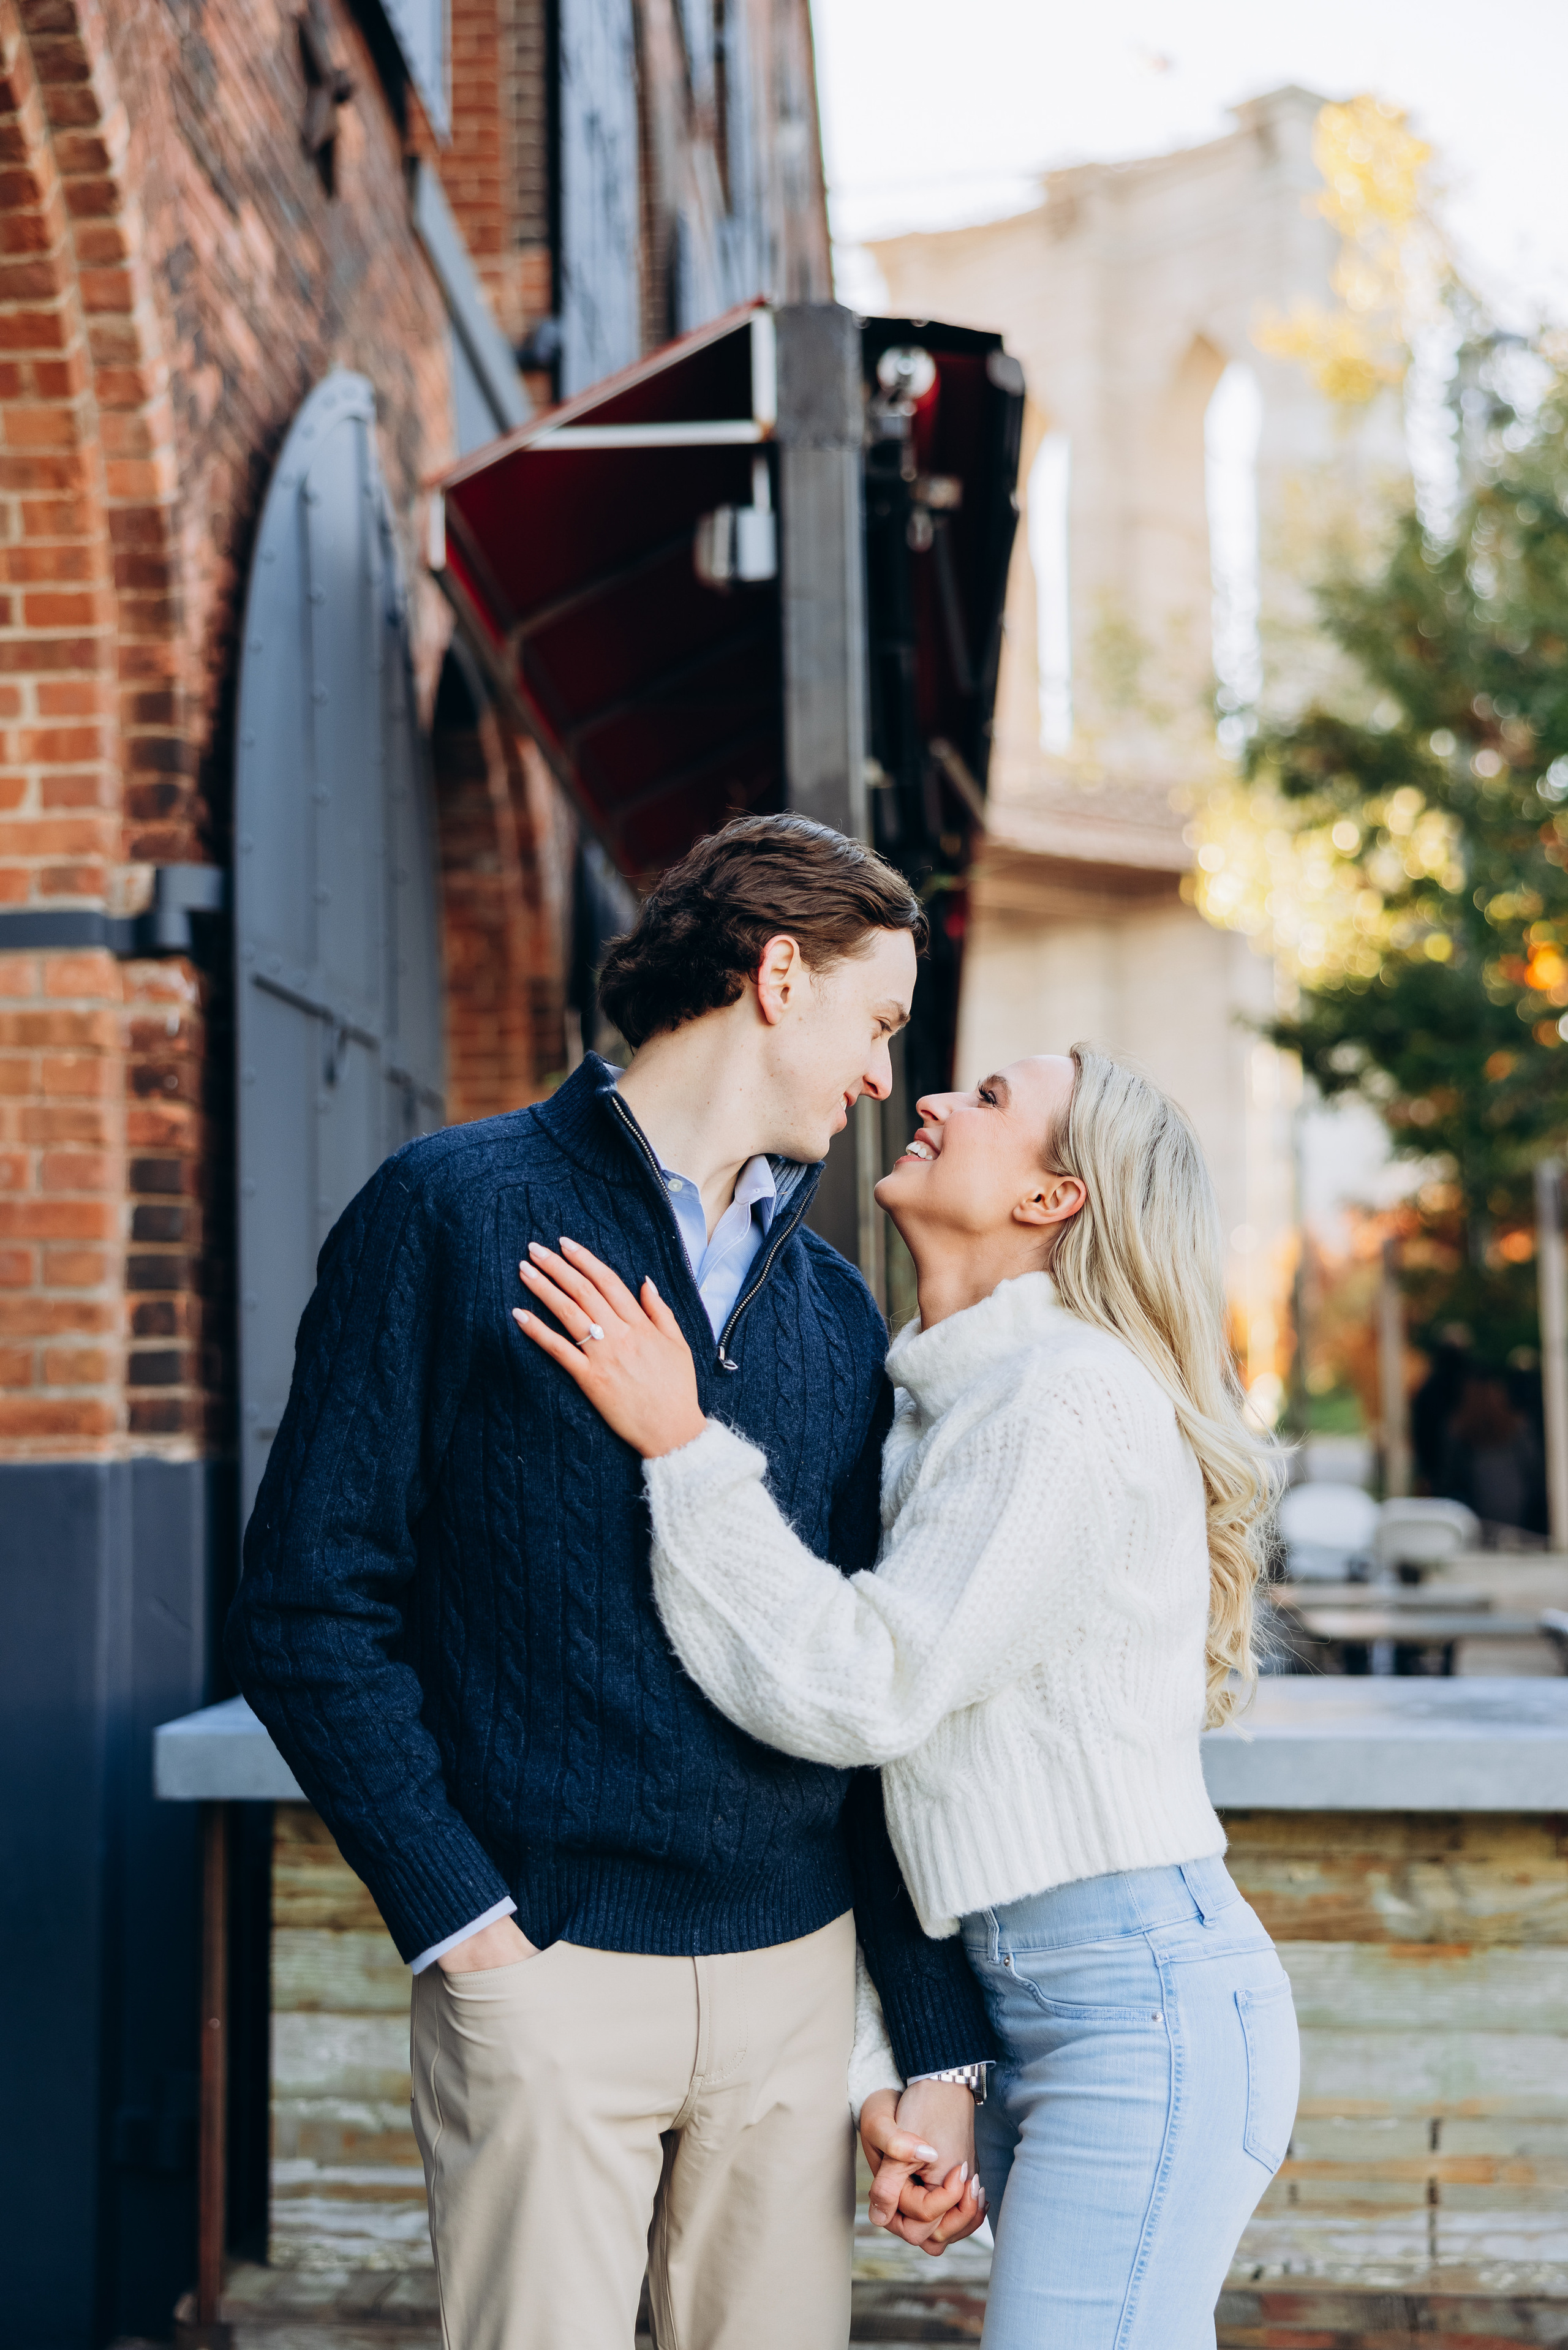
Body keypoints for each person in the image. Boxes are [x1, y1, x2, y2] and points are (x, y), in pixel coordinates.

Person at [225, 813, 992, 2350]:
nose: (878, 1076)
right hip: (548, 1968)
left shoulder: (835, 1313)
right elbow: (308, 1606)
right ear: (778, 974)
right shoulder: (448, 1210)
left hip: (791, 1982)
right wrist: (468, 1927)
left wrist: (934, 2038)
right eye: (879, 1023)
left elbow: (864, 1683)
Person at [516, 1044, 1303, 2350]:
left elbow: (867, 1687)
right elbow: (900, 1786)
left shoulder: (1063, 1402)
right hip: (1033, 1989)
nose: (929, 1098)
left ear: (1054, 1199)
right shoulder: (945, 1395)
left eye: (991, 1100)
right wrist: (914, 2063)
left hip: (1134, 2006)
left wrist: (681, 1444)